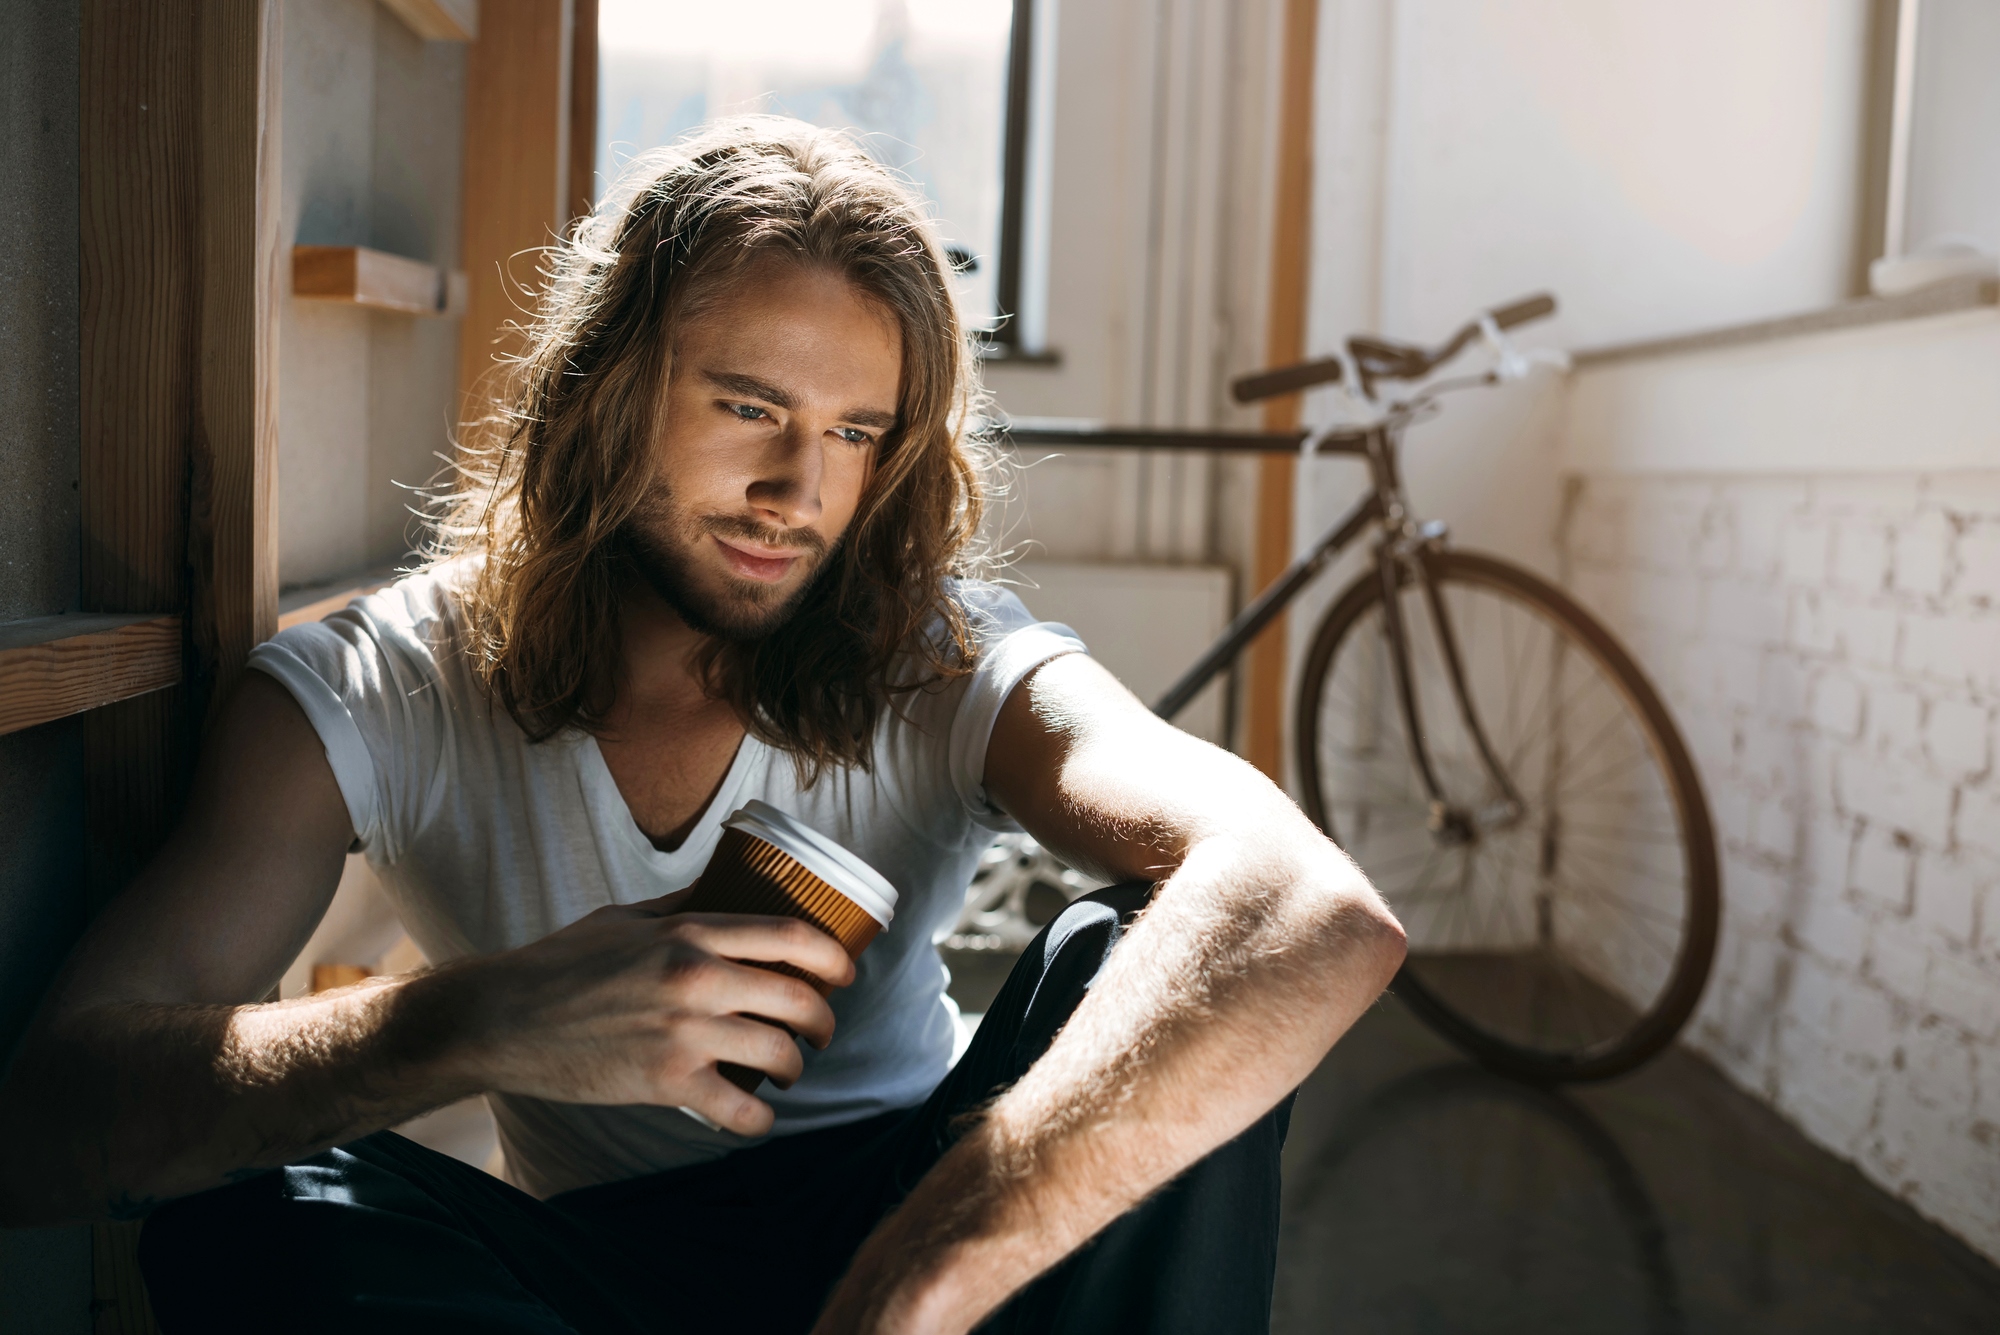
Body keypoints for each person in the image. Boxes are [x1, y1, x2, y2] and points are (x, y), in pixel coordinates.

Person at [0, 118, 1404, 1333]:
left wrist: (921, 1273)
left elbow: (1304, 906)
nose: (804, 486)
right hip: (589, 1278)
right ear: (606, 392)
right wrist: (463, 1019)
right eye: (750, 407)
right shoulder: (384, 683)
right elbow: (48, 1120)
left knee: (1133, 960)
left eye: (860, 432)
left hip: (920, 1217)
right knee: (254, 1213)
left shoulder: (943, 652)